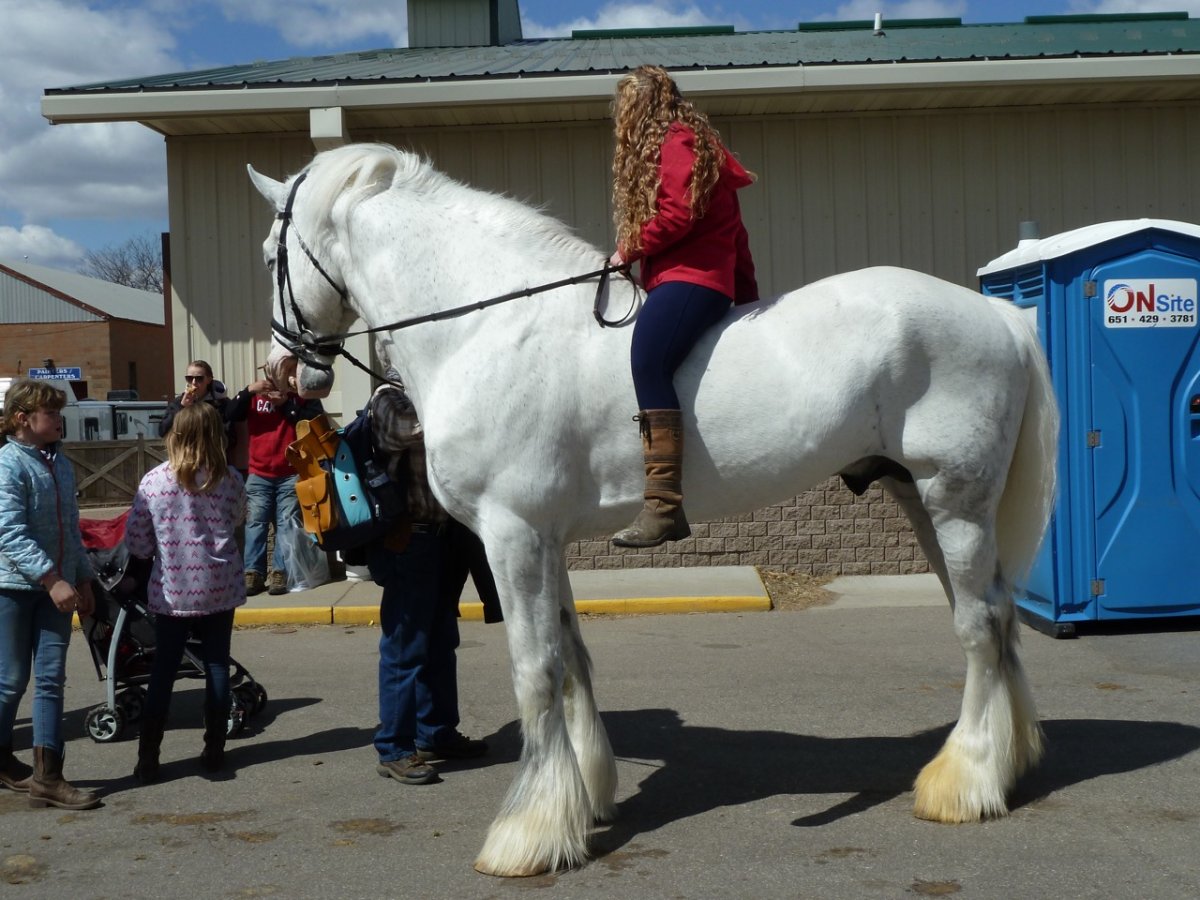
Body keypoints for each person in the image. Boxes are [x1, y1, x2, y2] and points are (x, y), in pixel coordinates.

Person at [607, 64, 759, 548]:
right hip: (707, 281)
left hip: (690, 279)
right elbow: (737, 235)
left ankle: (663, 506)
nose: (623, 121)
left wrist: (626, 250)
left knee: (647, 360)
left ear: (643, 108)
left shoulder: (678, 141)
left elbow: (675, 215)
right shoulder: (699, 144)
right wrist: (749, 299)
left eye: (627, 110)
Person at [366, 382, 498, 785]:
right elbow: (405, 430)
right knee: (405, 646)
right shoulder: (389, 398)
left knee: (441, 639)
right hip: (410, 539)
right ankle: (394, 747)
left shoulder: (437, 386)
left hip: (447, 537)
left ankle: (436, 733)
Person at [124, 402, 247, 782]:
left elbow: (138, 543)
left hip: (174, 590)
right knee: (216, 664)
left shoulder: (155, 482)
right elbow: (239, 518)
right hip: (219, 586)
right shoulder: (229, 479)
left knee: (164, 670)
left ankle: (149, 756)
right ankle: (214, 748)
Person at [0, 378, 100, 810]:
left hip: (58, 590)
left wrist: (82, 579)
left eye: (60, 413)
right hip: (14, 590)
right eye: (51, 413)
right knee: (9, 682)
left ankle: (48, 777)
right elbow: (9, 532)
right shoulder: (8, 464)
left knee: (51, 680)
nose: (60, 420)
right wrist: (50, 578)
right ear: (23, 418)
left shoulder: (59, 462)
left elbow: (71, 531)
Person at [225, 372, 323, 596]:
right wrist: (249, 389)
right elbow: (231, 413)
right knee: (255, 523)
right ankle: (253, 573)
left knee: (286, 523)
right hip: (259, 473)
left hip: (290, 472)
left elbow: (314, 423)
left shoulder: (302, 394)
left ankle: (280, 572)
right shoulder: (255, 395)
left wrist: (286, 403)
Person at [158, 360, 235, 449]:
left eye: (199, 378)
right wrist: (182, 408)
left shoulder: (221, 403)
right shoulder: (178, 403)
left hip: (213, 456)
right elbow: (163, 431)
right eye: (189, 378)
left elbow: (230, 436)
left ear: (209, 380)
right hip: (184, 455)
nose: (193, 382)